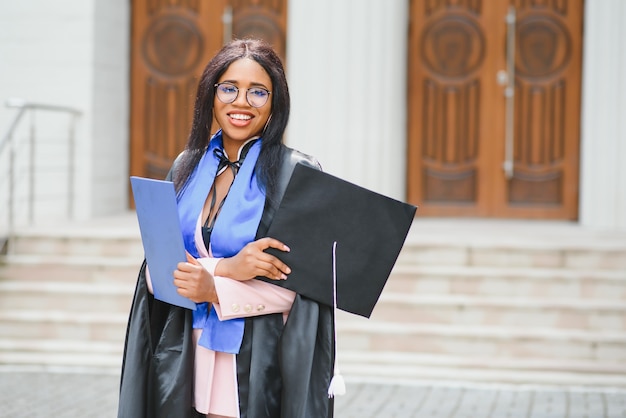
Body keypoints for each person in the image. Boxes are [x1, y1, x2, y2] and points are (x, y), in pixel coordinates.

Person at [118, 39, 335, 418]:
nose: (241, 102)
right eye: (229, 88)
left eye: (258, 92)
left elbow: (304, 293)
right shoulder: (186, 167)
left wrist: (217, 291)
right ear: (211, 95)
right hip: (184, 350)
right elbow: (156, 273)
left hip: (256, 359)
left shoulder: (294, 176)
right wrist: (225, 271)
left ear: (275, 103)